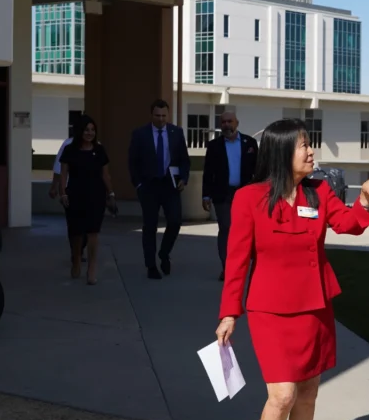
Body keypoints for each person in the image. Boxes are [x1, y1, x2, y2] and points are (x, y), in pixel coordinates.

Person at [215, 118, 369, 420]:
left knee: (309, 393)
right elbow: (237, 260)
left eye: (310, 144)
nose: (312, 151)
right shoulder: (249, 198)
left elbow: (348, 224)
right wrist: (229, 312)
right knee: (281, 395)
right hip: (270, 310)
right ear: (282, 153)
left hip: (315, 307)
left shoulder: (320, 192)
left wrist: (365, 197)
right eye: (303, 145)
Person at [128, 99, 191, 279]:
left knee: (175, 221)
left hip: (170, 185)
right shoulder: (140, 134)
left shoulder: (176, 133)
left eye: (164, 116)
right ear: (151, 115)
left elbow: (184, 160)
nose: (161, 119)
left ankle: (164, 253)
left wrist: (183, 179)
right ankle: (151, 265)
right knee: (150, 227)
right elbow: (133, 162)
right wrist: (138, 184)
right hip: (149, 186)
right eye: (157, 116)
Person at [58, 115, 117, 285]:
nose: (90, 133)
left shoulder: (99, 150)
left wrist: (111, 194)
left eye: (92, 130)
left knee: (93, 232)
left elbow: (105, 175)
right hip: (74, 196)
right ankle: (76, 258)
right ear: (79, 131)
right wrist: (63, 193)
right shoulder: (69, 150)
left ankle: (92, 268)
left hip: (96, 196)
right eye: (86, 130)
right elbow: (63, 174)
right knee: (76, 233)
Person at [202, 111, 258, 281]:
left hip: (245, 194)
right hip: (222, 194)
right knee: (226, 229)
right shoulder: (214, 146)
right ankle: (228, 268)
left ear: (237, 123)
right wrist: (206, 196)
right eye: (224, 122)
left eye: (230, 121)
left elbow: (259, 168)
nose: (227, 125)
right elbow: (208, 172)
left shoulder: (250, 143)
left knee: (245, 231)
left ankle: (244, 265)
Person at [50, 135, 87, 262]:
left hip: (89, 192)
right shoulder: (68, 145)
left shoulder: (95, 145)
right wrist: (55, 187)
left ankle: (80, 248)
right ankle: (76, 252)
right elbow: (58, 167)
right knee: (73, 223)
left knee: (87, 225)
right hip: (70, 191)